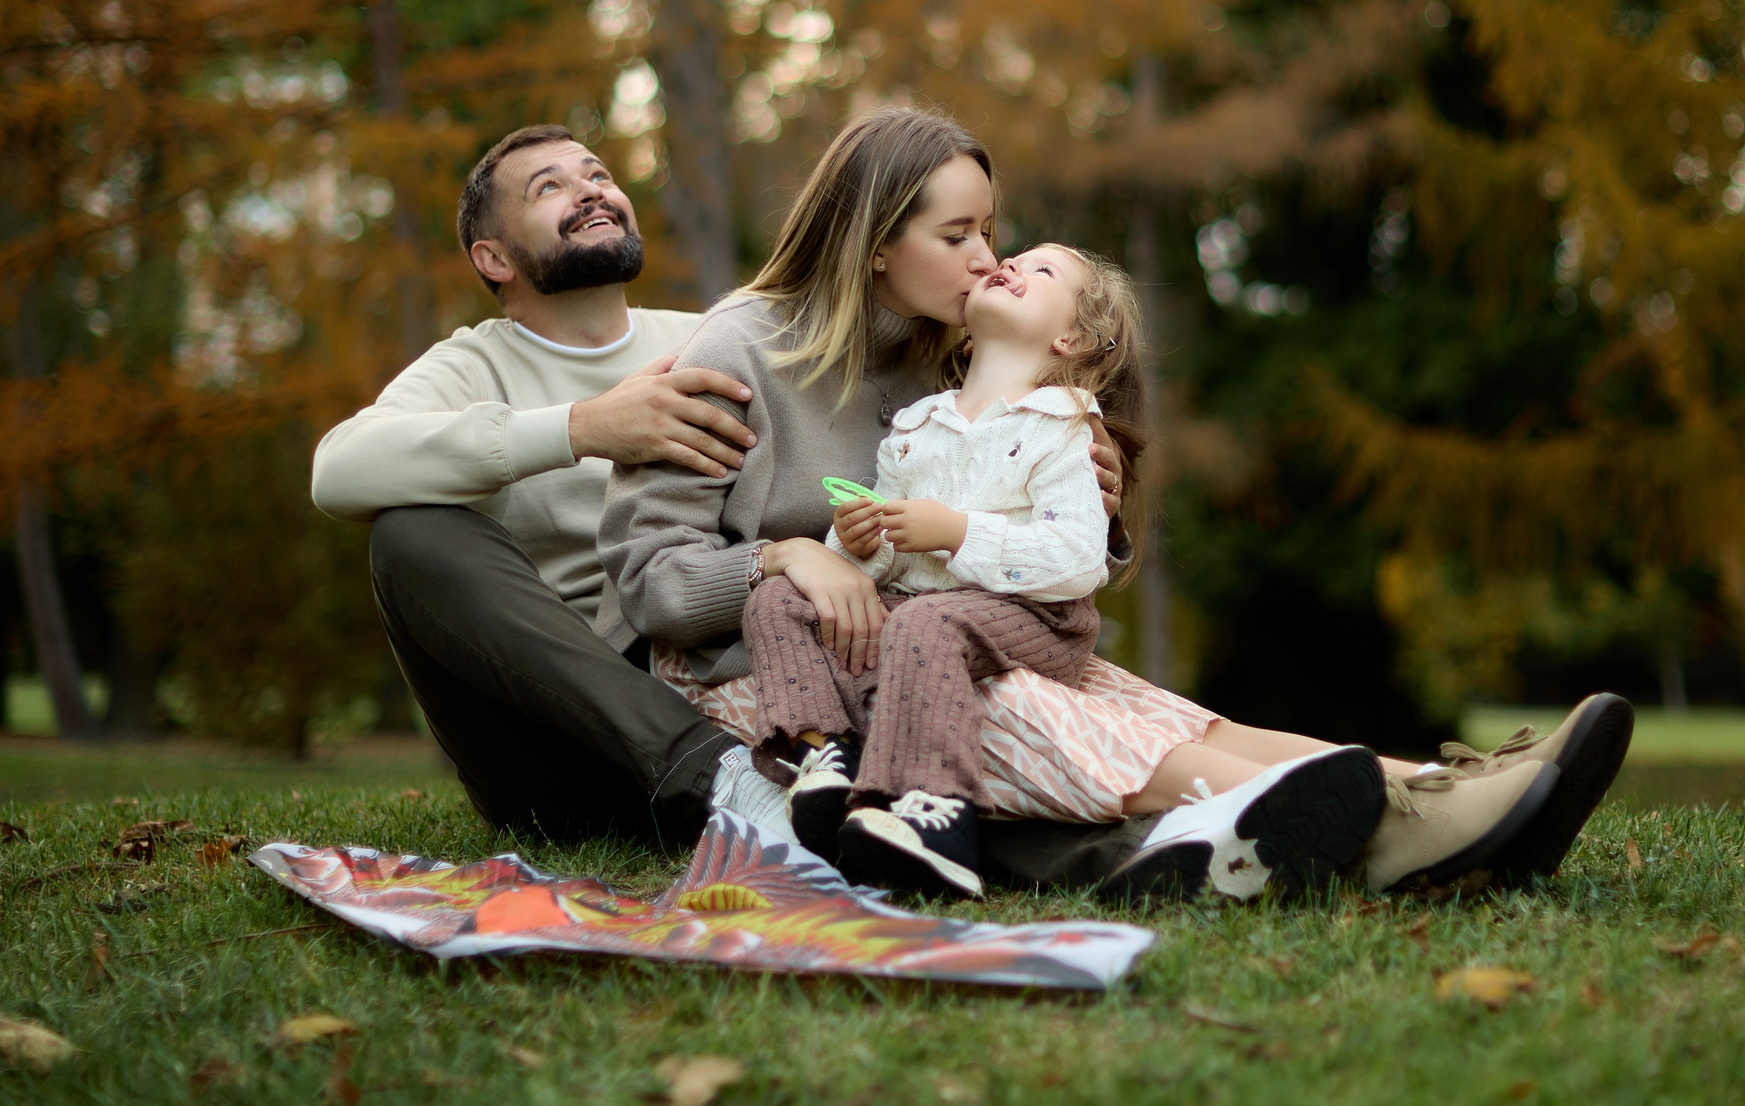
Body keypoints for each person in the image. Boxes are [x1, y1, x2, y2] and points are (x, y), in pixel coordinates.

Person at [604, 106, 1627, 901]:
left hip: (933, 633)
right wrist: (788, 558)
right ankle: (1399, 832)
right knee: (1044, 710)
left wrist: (1101, 501)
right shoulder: (736, 353)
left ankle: (1444, 787)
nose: (984, 258)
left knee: (1133, 699)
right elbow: (652, 590)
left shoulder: (939, 353)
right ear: (875, 240)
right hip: (777, 682)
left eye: (989, 231)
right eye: (956, 233)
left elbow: (1030, 544)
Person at [314, 124, 1155, 888]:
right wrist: (582, 427)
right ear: (493, 256)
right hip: (557, 724)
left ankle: (1137, 853)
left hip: (733, 686)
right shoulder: (474, 368)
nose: (590, 190)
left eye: (598, 173)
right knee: (412, 534)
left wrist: (1085, 477)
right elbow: (338, 468)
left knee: (899, 758)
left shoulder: (736, 337)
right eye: (550, 187)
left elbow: (961, 466)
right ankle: (727, 776)